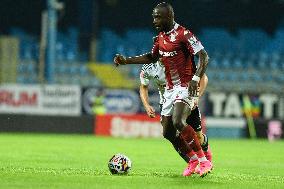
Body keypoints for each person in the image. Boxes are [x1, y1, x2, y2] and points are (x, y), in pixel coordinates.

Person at [114, 2, 212, 177]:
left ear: (169, 17)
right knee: (167, 132)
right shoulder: (160, 38)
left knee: (178, 122)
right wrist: (126, 61)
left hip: (185, 85)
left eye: (158, 17)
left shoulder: (184, 34)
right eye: (153, 17)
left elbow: (204, 56)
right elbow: (151, 57)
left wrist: (195, 79)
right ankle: (193, 160)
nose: (154, 20)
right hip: (169, 90)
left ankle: (204, 161)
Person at [139, 61, 212, 166]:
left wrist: (197, 95)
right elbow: (143, 86)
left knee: (198, 137)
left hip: (185, 99)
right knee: (172, 135)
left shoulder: (181, 59)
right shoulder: (148, 66)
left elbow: (203, 77)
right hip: (166, 103)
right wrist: (146, 105)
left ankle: (206, 155)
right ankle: (193, 162)